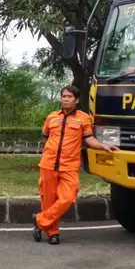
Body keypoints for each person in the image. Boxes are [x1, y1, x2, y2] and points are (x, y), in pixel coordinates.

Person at [33, 86, 118, 245]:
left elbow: (89, 139)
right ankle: (53, 233)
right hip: (48, 164)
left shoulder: (83, 118)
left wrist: (103, 146)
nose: (65, 99)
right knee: (48, 200)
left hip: (69, 166)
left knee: (68, 198)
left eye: (69, 96)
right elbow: (45, 137)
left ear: (77, 100)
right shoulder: (52, 117)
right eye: (63, 96)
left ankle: (39, 221)